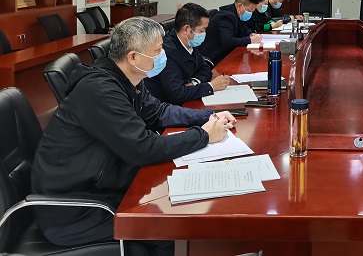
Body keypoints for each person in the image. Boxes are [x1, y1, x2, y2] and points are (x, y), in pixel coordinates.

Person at [31, 17, 236, 256]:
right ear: (133, 57)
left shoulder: (128, 79)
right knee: (171, 232)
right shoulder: (100, 90)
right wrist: (203, 135)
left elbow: (159, 111)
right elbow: (144, 148)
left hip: (107, 186)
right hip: (76, 211)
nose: (163, 55)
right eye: (158, 50)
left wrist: (207, 116)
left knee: (178, 208)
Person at [146, 3, 230, 105]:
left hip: (184, 101)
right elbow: (177, 94)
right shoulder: (167, 52)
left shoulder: (189, 43)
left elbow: (205, 69)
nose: (204, 34)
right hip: (163, 107)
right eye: (202, 30)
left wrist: (193, 83)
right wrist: (211, 86)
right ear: (186, 29)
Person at [199, 0, 263, 64]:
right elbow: (227, 41)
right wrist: (249, 40)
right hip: (216, 58)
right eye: (250, 10)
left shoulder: (235, 13)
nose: (251, 13)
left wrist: (251, 34)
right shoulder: (226, 17)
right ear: (240, 6)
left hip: (226, 54)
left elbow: (243, 28)